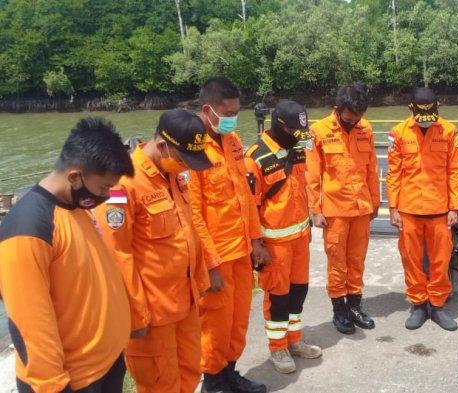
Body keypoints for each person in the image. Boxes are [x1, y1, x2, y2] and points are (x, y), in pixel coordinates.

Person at [0, 118, 133, 392]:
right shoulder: (29, 228)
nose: (107, 196)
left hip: (104, 365)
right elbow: (31, 325)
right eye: (104, 188)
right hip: (76, 381)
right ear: (74, 177)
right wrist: (54, 387)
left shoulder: (73, 207)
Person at [95, 109, 212, 393]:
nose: (186, 167)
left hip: (184, 303)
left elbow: (187, 231)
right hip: (152, 314)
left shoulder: (171, 175)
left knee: (190, 373)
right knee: (161, 384)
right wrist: (135, 315)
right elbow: (116, 253)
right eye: (184, 159)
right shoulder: (123, 183)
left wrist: (202, 279)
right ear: (162, 146)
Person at [189, 76, 270, 393]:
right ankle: (213, 380)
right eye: (229, 112)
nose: (233, 118)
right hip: (217, 256)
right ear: (208, 110)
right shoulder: (192, 148)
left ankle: (230, 372)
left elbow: (245, 196)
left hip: (240, 249)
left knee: (238, 320)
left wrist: (256, 240)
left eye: (237, 112)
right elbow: (193, 212)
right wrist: (209, 263)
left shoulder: (233, 140)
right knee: (215, 324)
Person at [244, 100, 322, 374]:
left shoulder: (297, 150)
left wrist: (308, 225)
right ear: (279, 126)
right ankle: (278, 348)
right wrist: (256, 245)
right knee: (277, 297)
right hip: (274, 244)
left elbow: (300, 189)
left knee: (298, 292)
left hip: (299, 237)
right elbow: (250, 207)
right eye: (292, 131)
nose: (296, 138)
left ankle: (294, 340)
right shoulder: (255, 157)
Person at [386, 87, 458, 331]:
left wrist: (455, 207)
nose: (427, 122)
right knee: (411, 261)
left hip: (440, 209)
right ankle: (419, 305)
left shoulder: (449, 131)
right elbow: (394, 173)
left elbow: (455, 171)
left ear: (438, 106)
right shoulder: (398, 133)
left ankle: (438, 306)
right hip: (409, 210)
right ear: (410, 108)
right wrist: (393, 208)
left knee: (441, 261)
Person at [306, 82, 380, 335]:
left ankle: (355, 305)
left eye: (357, 118)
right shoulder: (317, 132)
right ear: (337, 109)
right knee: (337, 262)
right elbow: (312, 174)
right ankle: (339, 309)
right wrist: (315, 210)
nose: (353, 123)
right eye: (349, 119)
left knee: (357, 259)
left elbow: (371, 166)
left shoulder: (365, 129)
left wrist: (376, 201)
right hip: (335, 210)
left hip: (361, 206)